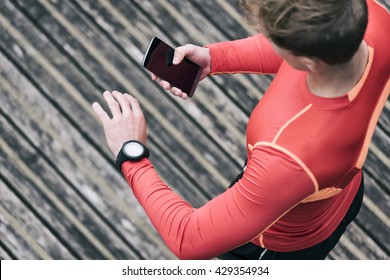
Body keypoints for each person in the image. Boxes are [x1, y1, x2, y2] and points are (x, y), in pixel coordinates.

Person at [92, 0, 389, 260]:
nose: (268, 40)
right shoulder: (372, 18)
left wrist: (130, 151)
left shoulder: (287, 156)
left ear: (309, 62)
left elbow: (187, 239)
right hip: (337, 196)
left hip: (275, 243)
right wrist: (217, 58)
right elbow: (299, 47)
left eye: (273, 38)